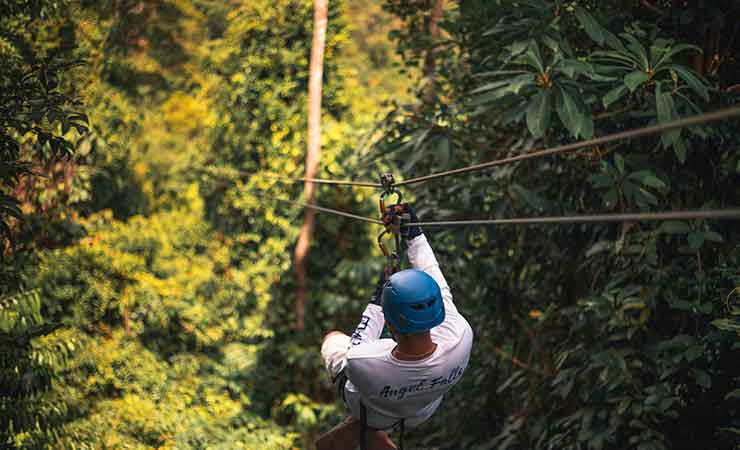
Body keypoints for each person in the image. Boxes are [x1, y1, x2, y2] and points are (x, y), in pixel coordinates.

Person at [316, 204, 474, 449]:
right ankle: (371, 430)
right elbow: (435, 279)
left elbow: (359, 342)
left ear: (390, 323)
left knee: (333, 338)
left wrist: (381, 291)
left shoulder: (363, 361)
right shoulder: (461, 333)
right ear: (438, 312)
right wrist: (414, 232)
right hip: (421, 410)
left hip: (372, 409)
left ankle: (366, 427)